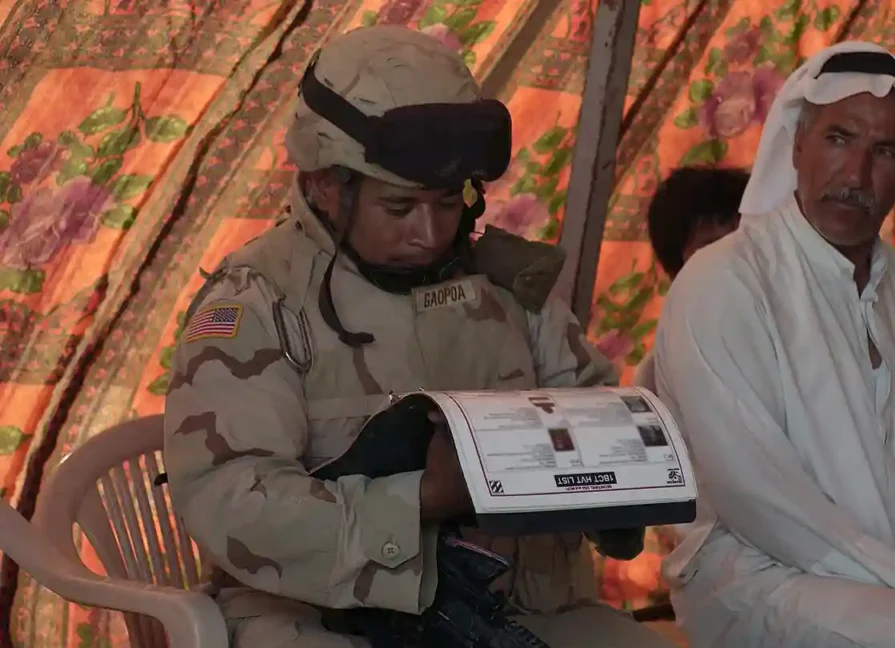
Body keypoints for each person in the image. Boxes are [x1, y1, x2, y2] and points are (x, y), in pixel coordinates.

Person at [162, 25, 676, 648]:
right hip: (318, 616)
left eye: (447, 202)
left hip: (517, 609)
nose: (429, 234)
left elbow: (595, 407)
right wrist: (424, 499)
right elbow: (230, 499)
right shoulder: (257, 302)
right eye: (399, 209)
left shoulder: (507, 291)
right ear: (326, 185)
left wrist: (620, 488)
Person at [655, 41, 895, 648]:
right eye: (838, 139)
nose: (854, 176)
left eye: (884, 152)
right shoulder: (725, 281)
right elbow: (760, 497)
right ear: (797, 145)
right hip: (759, 575)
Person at [633, 167, 748, 392]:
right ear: (677, 270)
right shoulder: (656, 376)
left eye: (743, 242)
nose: (733, 259)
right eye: (713, 248)